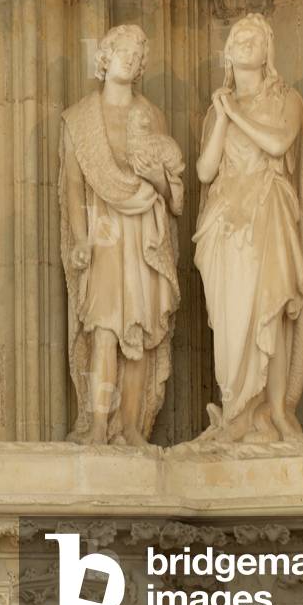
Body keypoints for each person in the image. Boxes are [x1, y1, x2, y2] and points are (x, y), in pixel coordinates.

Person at [60, 24, 184, 445]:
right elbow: (73, 187)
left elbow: (170, 190)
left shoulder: (152, 115)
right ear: (104, 57)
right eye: (122, 51)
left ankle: (131, 427)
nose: (129, 59)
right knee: (105, 330)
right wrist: (80, 239)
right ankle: (98, 423)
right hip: (105, 236)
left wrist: (158, 180)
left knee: (140, 332)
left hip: (144, 233)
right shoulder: (79, 119)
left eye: (136, 54)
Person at [194, 13, 303, 442]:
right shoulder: (216, 113)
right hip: (225, 220)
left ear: (268, 52)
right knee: (230, 318)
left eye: (254, 37)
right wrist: (223, 115)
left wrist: (236, 114)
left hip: (267, 210)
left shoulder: (288, 100)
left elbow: (279, 143)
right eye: (237, 36)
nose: (244, 41)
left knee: (270, 312)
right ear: (226, 53)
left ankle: (275, 412)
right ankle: (235, 412)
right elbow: (205, 171)